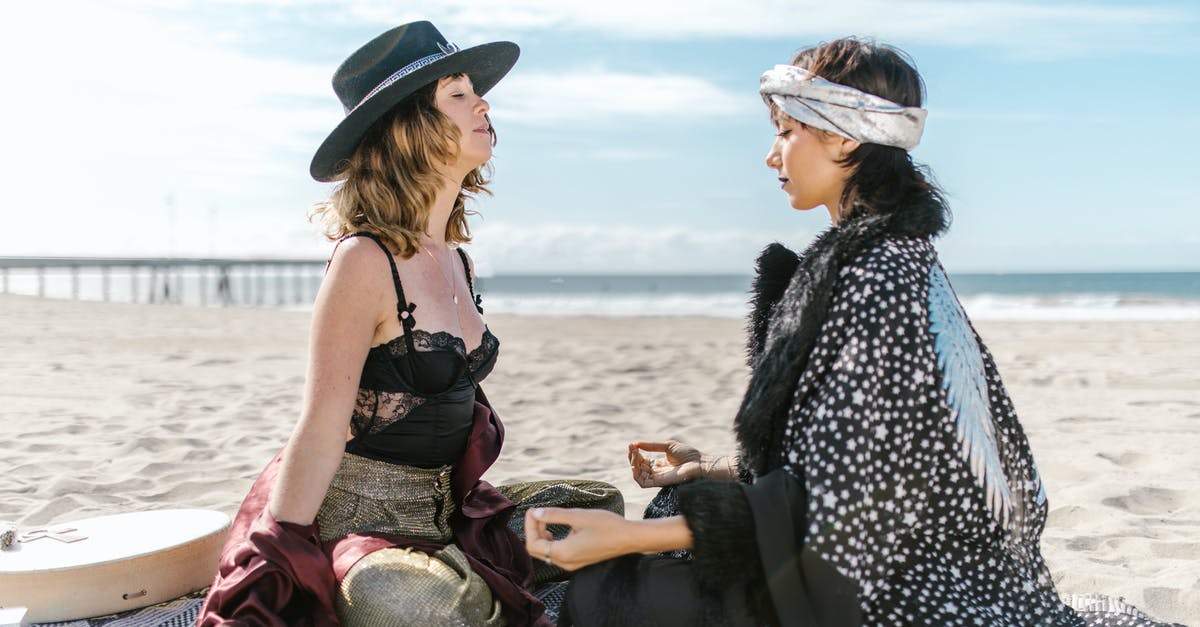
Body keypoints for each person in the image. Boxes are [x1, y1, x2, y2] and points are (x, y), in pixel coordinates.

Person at [525, 38, 1177, 626]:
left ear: (842, 139)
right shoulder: (889, 256)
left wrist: (624, 536)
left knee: (597, 593)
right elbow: (855, 456)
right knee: (675, 508)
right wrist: (711, 468)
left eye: (786, 130)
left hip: (894, 590)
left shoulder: (878, 277)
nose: (770, 153)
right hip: (876, 554)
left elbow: (841, 504)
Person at [198, 21, 621, 626]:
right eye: (457, 94)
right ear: (409, 130)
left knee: (595, 505)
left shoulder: (456, 259)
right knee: (415, 601)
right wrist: (272, 557)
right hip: (365, 526)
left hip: (451, 512)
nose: (484, 103)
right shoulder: (363, 261)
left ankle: (471, 576)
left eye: (475, 91)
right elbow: (320, 427)